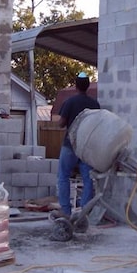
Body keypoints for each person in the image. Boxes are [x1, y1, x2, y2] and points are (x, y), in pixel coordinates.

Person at [55, 72, 101, 218]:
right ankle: (84, 212)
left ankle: (66, 211)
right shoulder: (95, 104)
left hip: (70, 145)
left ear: (76, 85)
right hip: (87, 148)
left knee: (63, 176)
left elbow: (61, 124)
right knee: (88, 179)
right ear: (88, 86)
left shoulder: (70, 102)